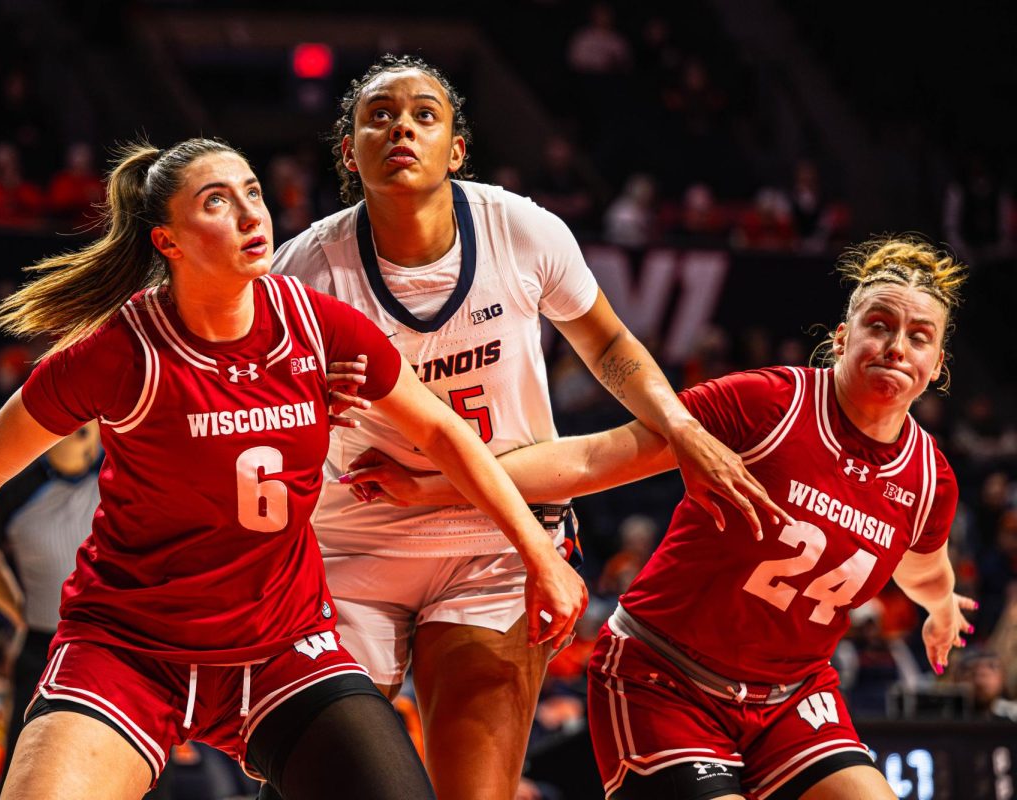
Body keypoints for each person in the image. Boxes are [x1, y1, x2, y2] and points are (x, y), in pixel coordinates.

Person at [0, 137, 585, 800]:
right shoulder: (122, 351)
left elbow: (448, 434)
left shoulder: (317, 324)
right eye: (217, 201)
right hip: (130, 649)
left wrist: (539, 555)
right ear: (167, 240)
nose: (248, 211)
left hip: (280, 648)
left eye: (252, 192)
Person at [272, 53, 784, 800]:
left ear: (458, 148)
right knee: (334, 781)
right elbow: (262, 421)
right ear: (349, 151)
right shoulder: (308, 269)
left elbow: (609, 344)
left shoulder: (521, 230)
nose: (401, 128)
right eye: (378, 115)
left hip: (498, 533)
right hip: (353, 535)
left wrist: (679, 423)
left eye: (424, 114)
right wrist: (314, 406)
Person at [344, 236, 975, 799]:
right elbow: (593, 458)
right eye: (879, 325)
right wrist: (434, 485)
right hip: (664, 680)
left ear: (938, 365)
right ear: (843, 336)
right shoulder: (767, 404)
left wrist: (942, 611)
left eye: (919, 337)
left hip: (791, 698)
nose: (895, 347)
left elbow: (926, 571)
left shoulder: (928, 479)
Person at [0, 421, 101, 782]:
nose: (76, 433)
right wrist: (18, 611)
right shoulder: (14, 486)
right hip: (44, 641)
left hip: (119, 641)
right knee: (26, 770)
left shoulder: (128, 467)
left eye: (84, 426)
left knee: (142, 769)